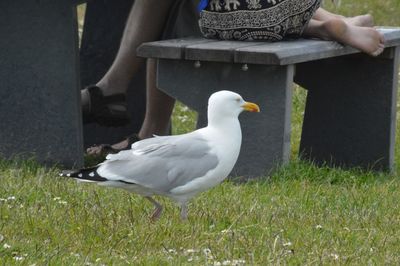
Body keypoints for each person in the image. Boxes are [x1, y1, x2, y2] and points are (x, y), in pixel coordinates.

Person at [84, 0, 385, 155]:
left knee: (172, 19)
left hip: (231, 15)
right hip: (272, 8)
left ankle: (123, 102)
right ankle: (329, 22)